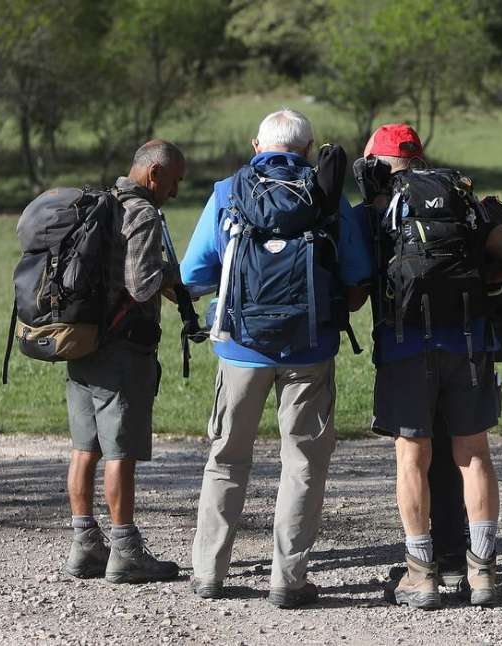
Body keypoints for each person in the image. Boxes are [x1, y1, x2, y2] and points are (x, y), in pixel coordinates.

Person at [181, 109, 370, 607]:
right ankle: (288, 580)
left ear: (254, 145)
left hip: (240, 348)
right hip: (309, 349)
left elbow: (194, 273)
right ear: (309, 150)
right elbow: (356, 287)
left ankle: (209, 573)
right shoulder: (327, 197)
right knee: (303, 463)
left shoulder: (227, 192)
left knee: (226, 458)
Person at [353, 124, 502, 609]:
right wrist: (479, 282)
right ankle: (484, 572)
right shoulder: (459, 198)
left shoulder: (373, 212)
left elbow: (352, 289)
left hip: (404, 347)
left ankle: (420, 573)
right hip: (469, 343)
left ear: (374, 162)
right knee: (473, 455)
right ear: (419, 158)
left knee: (413, 457)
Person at [62, 140, 186, 584]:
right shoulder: (144, 213)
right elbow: (141, 283)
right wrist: (175, 277)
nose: (173, 192)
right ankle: (126, 549)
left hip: (82, 342)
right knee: (120, 453)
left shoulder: (99, 204)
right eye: (173, 182)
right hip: (122, 350)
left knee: (84, 449)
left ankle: (84, 546)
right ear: (153, 174)